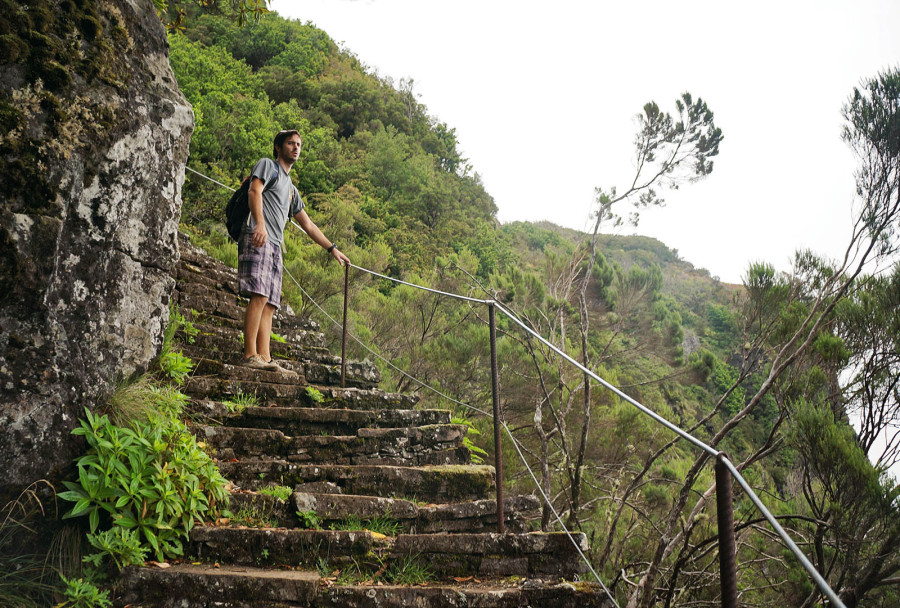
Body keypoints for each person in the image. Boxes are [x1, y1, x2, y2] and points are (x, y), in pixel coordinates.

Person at [239, 129, 350, 372]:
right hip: (258, 235)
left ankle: (265, 358)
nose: (296, 147)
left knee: (269, 304)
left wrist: (332, 249)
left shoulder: (291, 189)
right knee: (258, 295)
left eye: (299, 144)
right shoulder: (268, 166)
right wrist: (260, 223)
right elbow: (254, 191)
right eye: (291, 143)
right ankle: (249, 355)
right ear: (279, 147)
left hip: (276, 245)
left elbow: (307, 224)